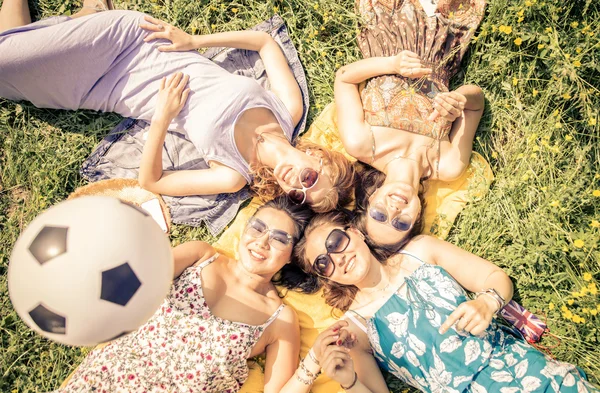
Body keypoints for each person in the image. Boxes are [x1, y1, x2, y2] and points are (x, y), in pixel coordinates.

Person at [0, 0, 355, 212]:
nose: (297, 184)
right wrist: (194, 40)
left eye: (297, 195)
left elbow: (150, 181)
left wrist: (162, 117)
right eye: (310, 179)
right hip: (135, 43)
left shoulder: (232, 175)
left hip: (104, 90)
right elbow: (263, 43)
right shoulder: (288, 110)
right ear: (318, 158)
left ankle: (86, 13)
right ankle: (90, 17)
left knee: (9, 66)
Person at [55, 197, 346, 393]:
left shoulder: (280, 318)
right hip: (103, 377)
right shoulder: (201, 255)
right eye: (258, 227)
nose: (261, 242)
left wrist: (313, 363)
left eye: (279, 238)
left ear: (292, 256)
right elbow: (136, 277)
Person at [293, 211, 600, 393]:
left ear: (355, 231)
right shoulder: (355, 329)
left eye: (336, 242)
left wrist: (487, 303)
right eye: (323, 262)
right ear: (326, 277)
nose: (337, 257)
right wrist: (349, 382)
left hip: (521, 369)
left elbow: (494, 277)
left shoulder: (421, 251)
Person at [335, 0, 486, 249]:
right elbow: (476, 102)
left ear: (369, 201)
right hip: (444, 37)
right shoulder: (447, 165)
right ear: (417, 219)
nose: (393, 211)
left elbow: (344, 79)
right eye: (400, 224)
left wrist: (391, 64)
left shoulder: (362, 144)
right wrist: (459, 99)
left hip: (389, 28)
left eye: (379, 216)